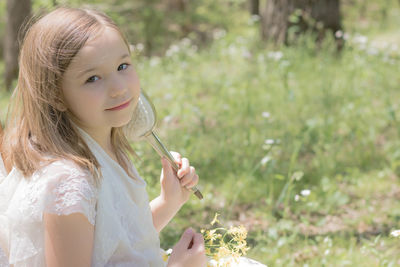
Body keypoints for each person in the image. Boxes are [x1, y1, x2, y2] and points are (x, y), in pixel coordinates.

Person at [0, 6, 267, 267]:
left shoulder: (102, 145)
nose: (118, 88)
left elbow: (116, 244)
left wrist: (168, 201)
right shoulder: (69, 184)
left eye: (123, 66)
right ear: (55, 95)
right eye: (93, 78)